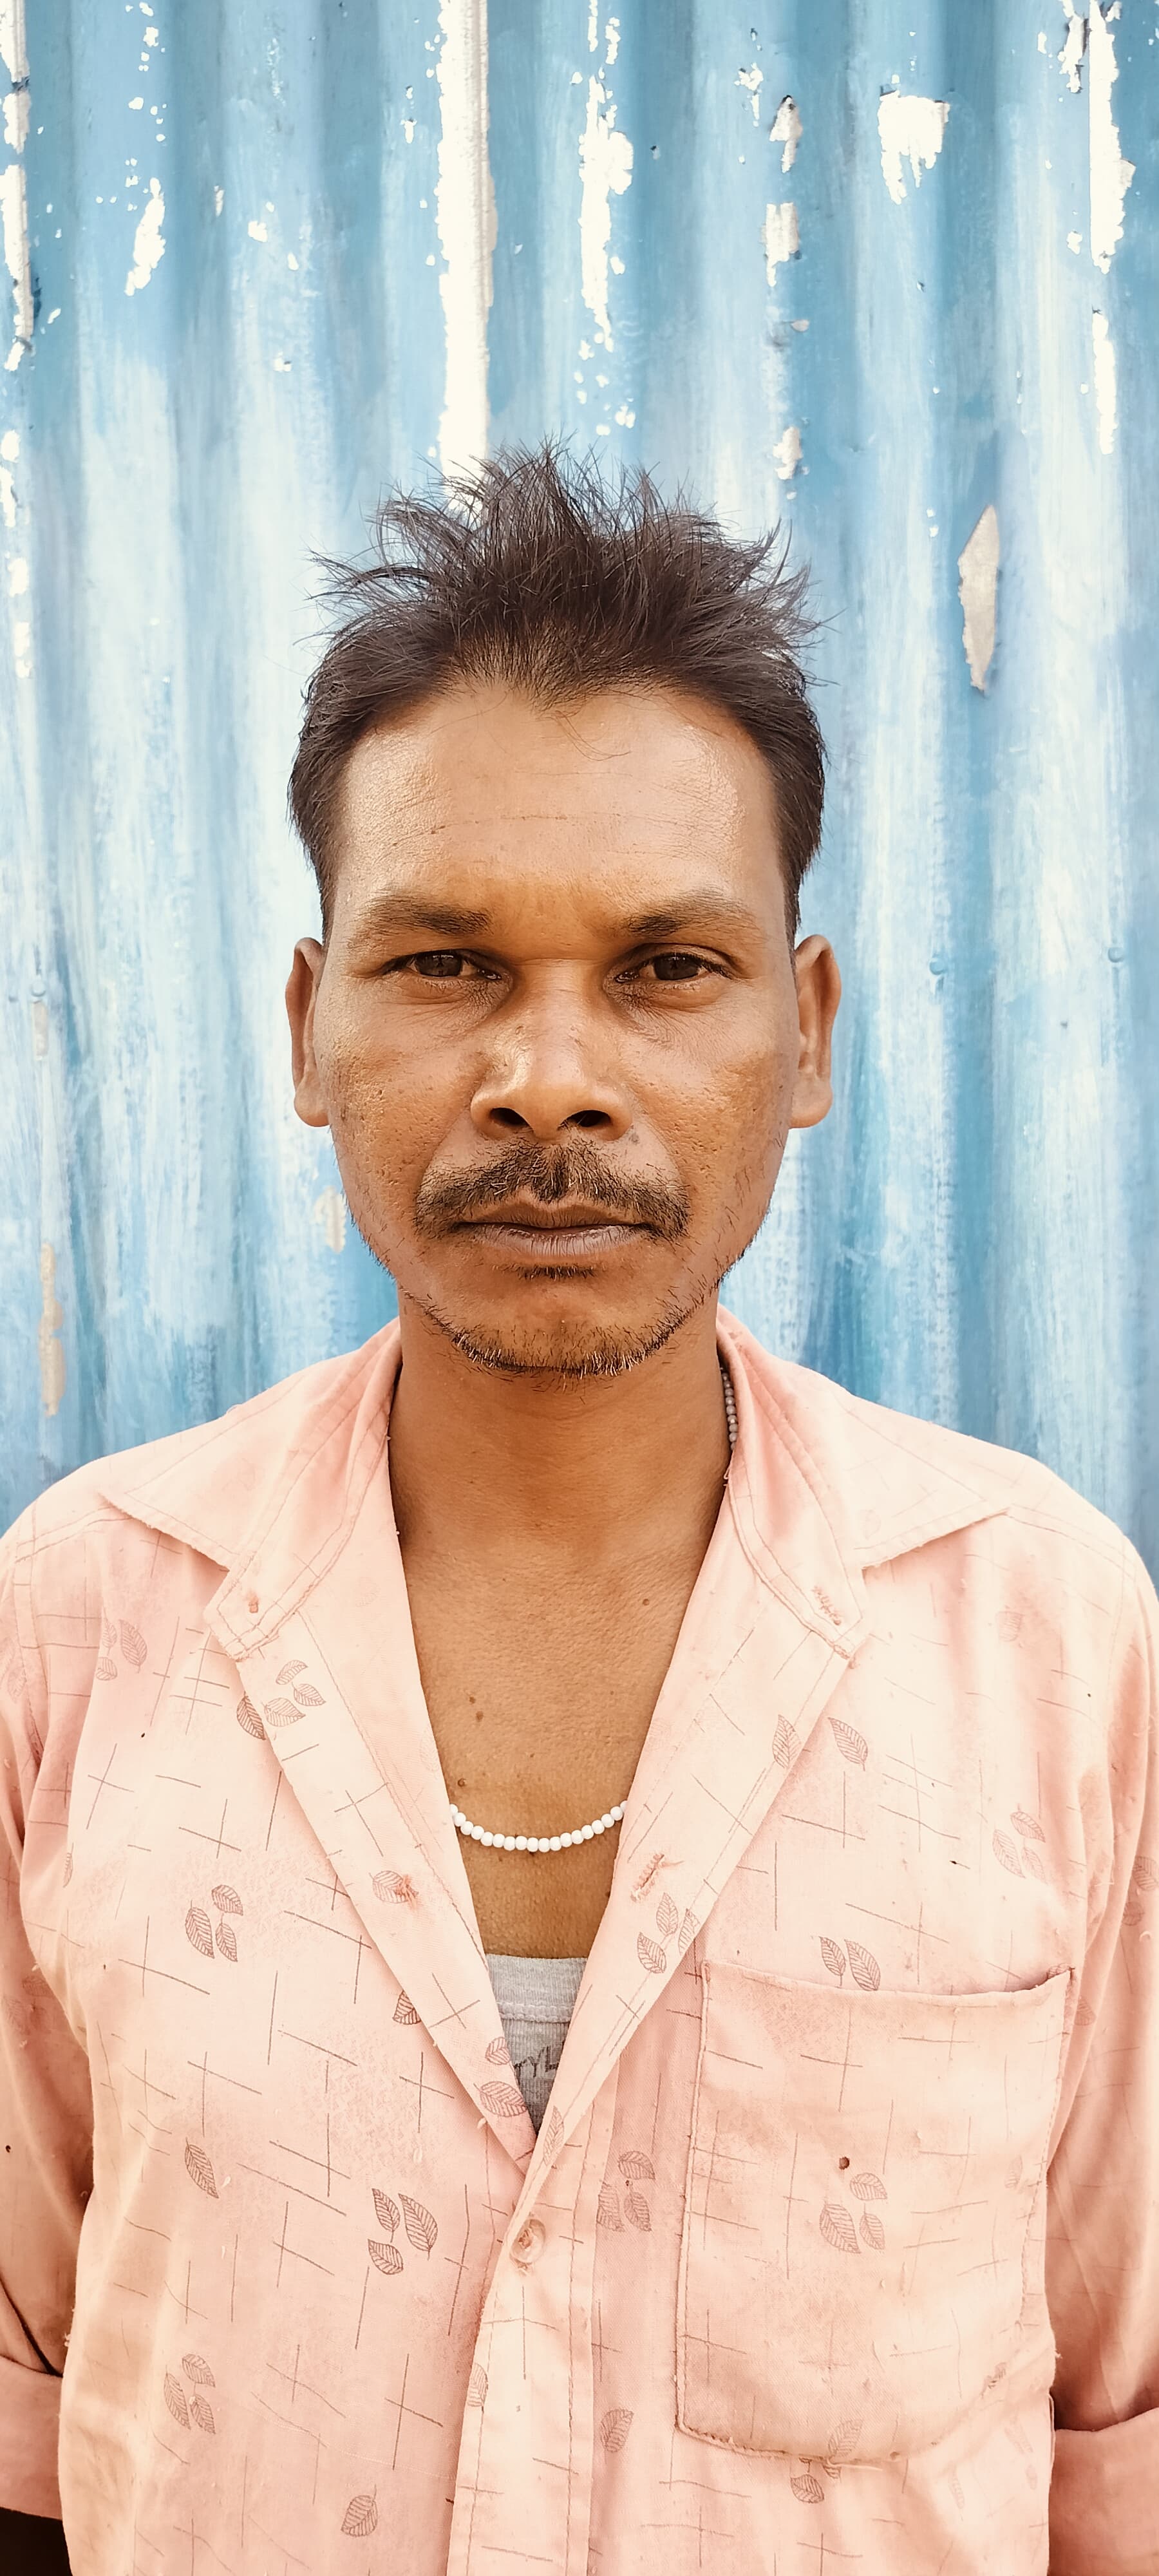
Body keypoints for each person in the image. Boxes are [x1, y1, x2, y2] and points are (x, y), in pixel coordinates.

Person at [1, 447, 1154, 2576]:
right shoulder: (82, 1616)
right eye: (445, 964)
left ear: (805, 1033)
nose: (549, 1077)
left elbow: (1123, 2447)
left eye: (667, 966)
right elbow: (29, 2415)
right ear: (310, 1031)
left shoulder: (1045, 1633)